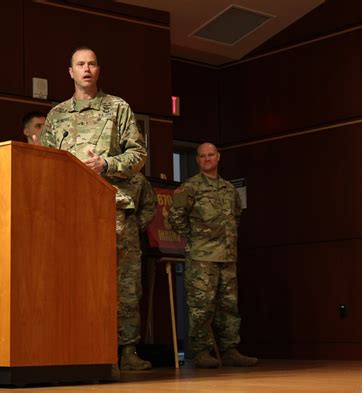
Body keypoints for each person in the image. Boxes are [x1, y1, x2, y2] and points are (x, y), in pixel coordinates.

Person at [38, 46, 149, 370]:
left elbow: (138, 155)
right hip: (70, 212)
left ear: (98, 70)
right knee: (73, 280)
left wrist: (106, 163)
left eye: (92, 64)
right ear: (70, 72)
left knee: (123, 281)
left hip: (112, 206)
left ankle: (127, 351)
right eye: (80, 64)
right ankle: (77, 346)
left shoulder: (118, 108)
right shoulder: (57, 115)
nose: (86, 69)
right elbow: (44, 163)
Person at [168, 142, 258, 368]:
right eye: (202, 156)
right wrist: (197, 237)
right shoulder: (190, 187)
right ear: (197, 161)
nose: (207, 159)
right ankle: (201, 351)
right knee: (202, 306)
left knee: (229, 305)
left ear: (218, 157)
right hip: (202, 258)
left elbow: (235, 217)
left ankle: (230, 349)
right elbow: (175, 218)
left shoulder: (229, 189)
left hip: (227, 256)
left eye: (211, 155)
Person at [119, 172, 157, 370]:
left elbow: (150, 206)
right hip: (96, 240)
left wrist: (135, 224)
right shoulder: (94, 170)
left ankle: (128, 352)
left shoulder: (137, 179)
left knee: (130, 295)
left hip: (129, 245)